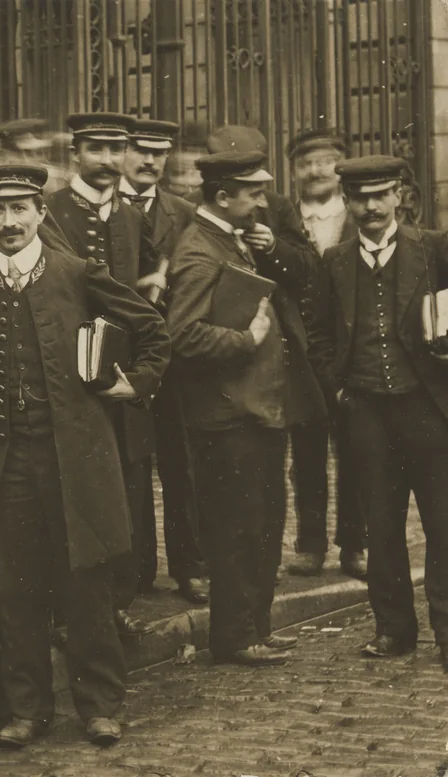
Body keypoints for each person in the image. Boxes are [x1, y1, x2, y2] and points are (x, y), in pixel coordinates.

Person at [0, 163, 169, 748]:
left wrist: (137, 384)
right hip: (12, 460)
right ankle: (28, 708)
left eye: (19, 209)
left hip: (75, 457)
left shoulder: (77, 273)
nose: (9, 221)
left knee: (86, 586)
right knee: (18, 586)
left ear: (40, 213)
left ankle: (100, 705)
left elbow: (153, 329)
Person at [167, 150, 317, 667]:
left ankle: (257, 625)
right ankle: (233, 636)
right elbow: (182, 334)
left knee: (262, 523)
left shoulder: (227, 238)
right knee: (236, 530)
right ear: (222, 197)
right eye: (252, 191)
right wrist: (245, 339)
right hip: (225, 418)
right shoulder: (198, 251)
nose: (262, 199)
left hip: (254, 412)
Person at [306, 155, 448, 672]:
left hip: (427, 408)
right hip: (365, 411)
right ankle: (393, 631)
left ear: (399, 197)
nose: (371, 206)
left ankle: (447, 633)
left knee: (443, 523)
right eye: (360, 197)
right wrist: (338, 391)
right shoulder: (335, 261)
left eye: (380, 194)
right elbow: (318, 335)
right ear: (347, 200)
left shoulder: (434, 249)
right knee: (381, 527)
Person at [195, 125, 342, 582]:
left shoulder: (275, 209)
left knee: (308, 445)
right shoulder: (204, 215)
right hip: (235, 346)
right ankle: (262, 560)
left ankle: (311, 544)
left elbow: (308, 271)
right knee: (256, 458)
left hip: (286, 347)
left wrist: (273, 248)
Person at [43, 112, 157, 636]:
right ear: (76, 153)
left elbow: (148, 289)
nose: (109, 161)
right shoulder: (48, 211)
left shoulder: (134, 217)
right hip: (66, 370)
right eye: (97, 149)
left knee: (126, 485)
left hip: (122, 370)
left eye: (117, 149)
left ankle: (115, 604)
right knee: (72, 485)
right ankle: (68, 611)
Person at [117, 118, 208, 605]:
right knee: (130, 462)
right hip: (123, 357)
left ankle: (190, 568)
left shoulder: (184, 213)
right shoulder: (103, 208)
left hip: (175, 357)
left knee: (181, 461)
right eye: (140, 151)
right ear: (123, 153)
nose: (150, 161)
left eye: (159, 153)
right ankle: (138, 569)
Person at [286, 127, 367, 579]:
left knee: (356, 450)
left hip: (350, 351)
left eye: (324, 162)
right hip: (300, 352)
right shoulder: (284, 220)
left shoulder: (357, 217)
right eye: (305, 163)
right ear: (294, 170)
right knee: (307, 452)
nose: (315, 171)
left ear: (340, 167)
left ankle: (354, 544)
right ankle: (310, 544)